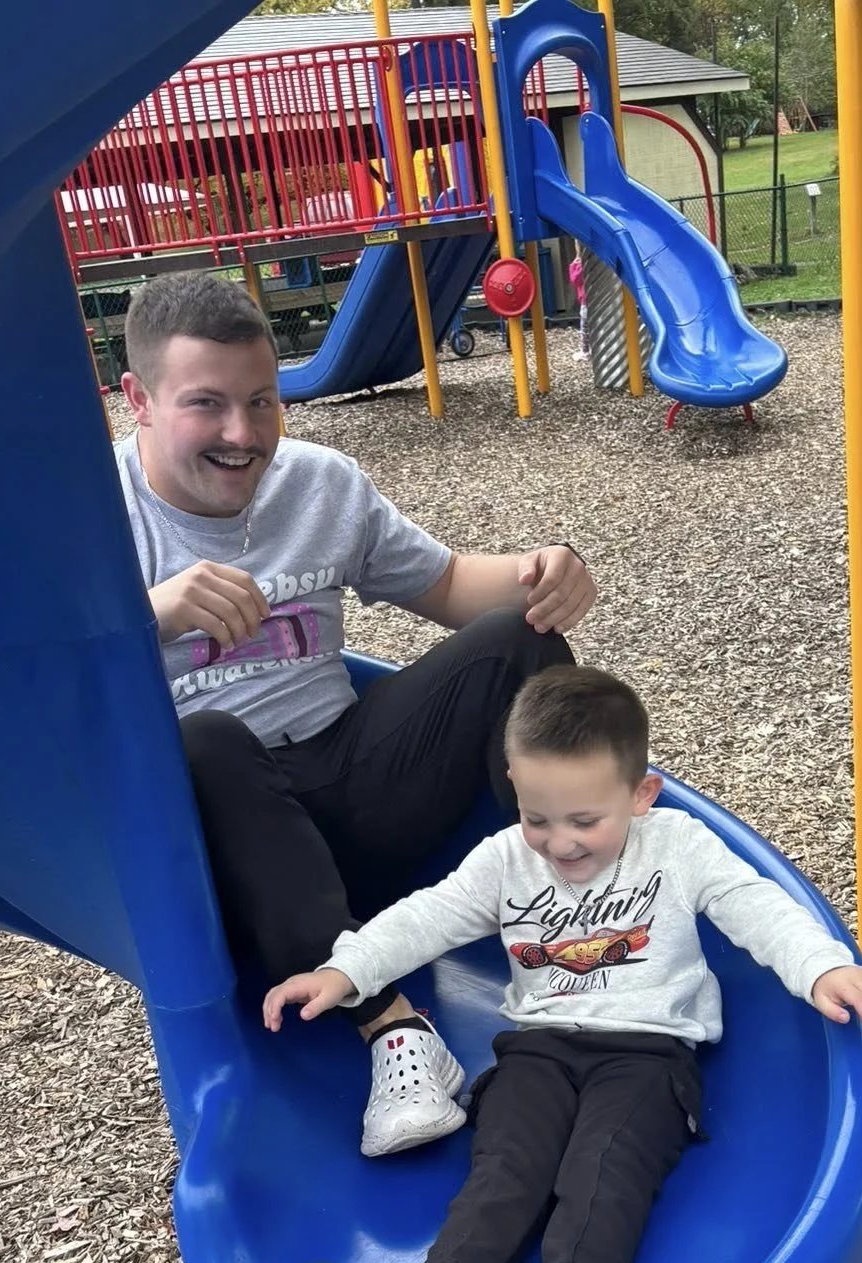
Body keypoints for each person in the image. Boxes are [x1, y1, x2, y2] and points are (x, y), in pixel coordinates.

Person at [263, 666, 862, 1263]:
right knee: (508, 1166)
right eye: (539, 817)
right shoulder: (506, 859)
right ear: (513, 788)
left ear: (642, 794)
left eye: (585, 821)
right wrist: (346, 969)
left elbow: (755, 905)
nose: (560, 843)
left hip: (649, 1054)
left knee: (603, 1167)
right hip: (537, 1049)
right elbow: (427, 917)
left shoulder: (677, 846)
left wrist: (820, 965)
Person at [114, 270, 598, 1157]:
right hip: (233, 850)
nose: (241, 433)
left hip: (349, 782)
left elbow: (451, 586)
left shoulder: (318, 483)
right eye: (206, 404)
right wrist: (148, 613)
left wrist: (545, 566)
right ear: (138, 399)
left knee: (516, 642)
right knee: (203, 741)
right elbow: (34, 692)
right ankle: (394, 1030)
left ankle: (575, 927)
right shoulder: (99, 521)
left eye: (262, 401)